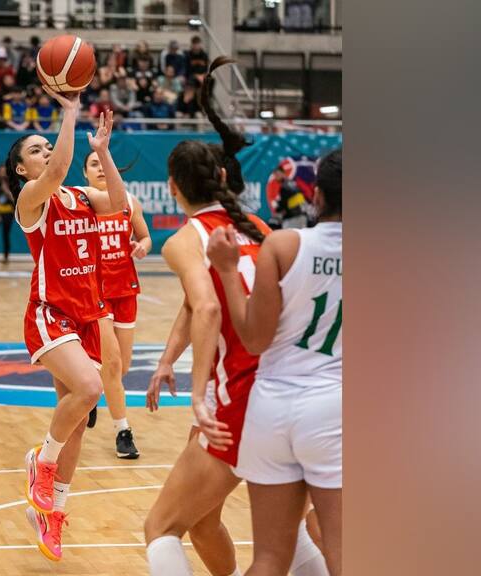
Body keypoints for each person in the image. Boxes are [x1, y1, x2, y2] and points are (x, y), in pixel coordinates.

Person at [144, 57, 329, 576]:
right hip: (291, 391)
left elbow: (205, 306)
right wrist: (165, 360)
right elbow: (198, 303)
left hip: (242, 396)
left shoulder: (186, 239)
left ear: (174, 188)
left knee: (160, 528)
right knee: (245, 532)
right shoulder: (262, 230)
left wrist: (200, 393)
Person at [206, 149, 342, 576]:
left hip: (271, 409)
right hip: (334, 408)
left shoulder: (283, 244)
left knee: (268, 558)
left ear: (316, 196)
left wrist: (228, 272)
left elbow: (254, 338)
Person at [6, 98, 126, 562]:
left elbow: (117, 203)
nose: (43, 154)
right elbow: (55, 173)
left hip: (86, 315)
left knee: (76, 422)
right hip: (49, 311)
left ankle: (53, 512)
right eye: (35, 151)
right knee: (91, 387)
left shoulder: (80, 197)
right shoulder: (31, 200)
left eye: (44, 147)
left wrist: (104, 151)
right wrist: (70, 113)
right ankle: (42, 460)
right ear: (22, 170)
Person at [82, 150, 151, 458]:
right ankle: (123, 432)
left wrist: (142, 246)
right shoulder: (81, 204)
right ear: (84, 174)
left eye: (102, 163)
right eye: (93, 164)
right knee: (110, 364)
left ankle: (92, 394)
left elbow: (146, 236)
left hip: (125, 289)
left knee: (122, 366)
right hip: (97, 292)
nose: (99, 168)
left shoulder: (128, 201)